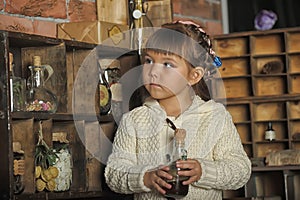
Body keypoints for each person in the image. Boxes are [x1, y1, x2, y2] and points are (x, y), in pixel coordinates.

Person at [104, 20, 251, 200]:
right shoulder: (134, 120)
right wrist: (145, 178)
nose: (153, 72)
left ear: (194, 75)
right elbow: (113, 173)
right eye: (149, 61)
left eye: (167, 64)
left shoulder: (215, 116)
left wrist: (204, 171)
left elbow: (241, 170)